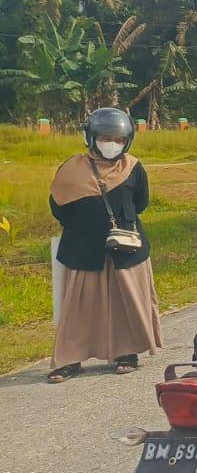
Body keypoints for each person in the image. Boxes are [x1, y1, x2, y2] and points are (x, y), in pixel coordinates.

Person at [46, 108, 161, 383]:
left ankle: (127, 353)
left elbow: (141, 203)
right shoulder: (72, 169)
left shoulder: (133, 167)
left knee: (126, 302)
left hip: (126, 249)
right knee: (78, 308)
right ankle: (69, 360)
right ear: (91, 138)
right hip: (83, 250)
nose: (112, 144)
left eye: (119, 139)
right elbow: (58, 207)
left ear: (127, 141)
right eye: (106, 138)